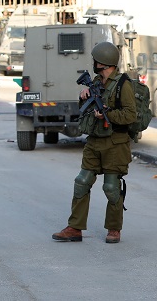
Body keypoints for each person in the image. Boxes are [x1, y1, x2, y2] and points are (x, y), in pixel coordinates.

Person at [53, 42, 137, 244]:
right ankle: (75, 228)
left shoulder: (123, 84)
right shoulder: (97, 82)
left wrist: (108, 114)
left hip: (115, 143)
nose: (93, 63)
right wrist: (83, 97)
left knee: (111, 187)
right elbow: (87, 110)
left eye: (96, 60)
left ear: (104, 63)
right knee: (82, 182)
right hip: (94, 141)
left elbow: (130, 115)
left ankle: (114, 229)